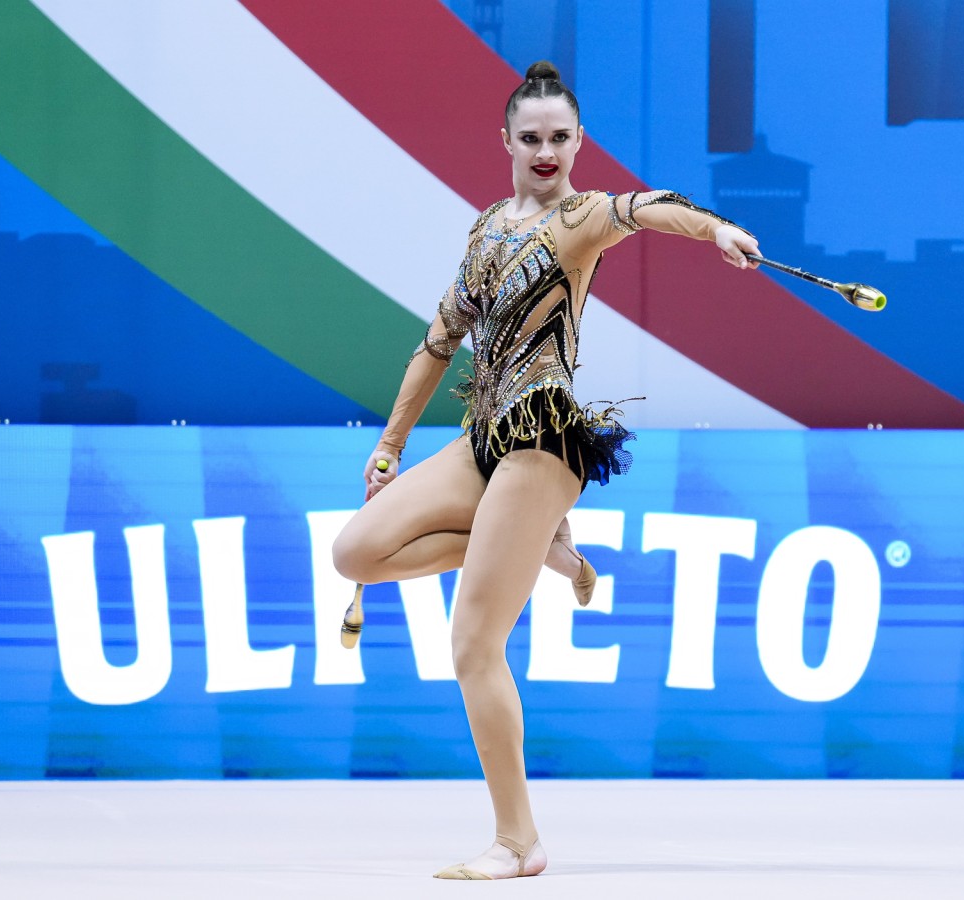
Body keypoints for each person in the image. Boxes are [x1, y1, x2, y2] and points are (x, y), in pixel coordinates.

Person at [330, 59, 760, 880]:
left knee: (472, 644)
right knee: (355, 552)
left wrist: (715, 230)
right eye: (531, 138)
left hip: (541, 440)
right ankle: (541, 549)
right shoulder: (488, 227)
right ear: (506, 141)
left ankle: (518, 842)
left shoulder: (581, 218)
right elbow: (438, 342)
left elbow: (648, 206)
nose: (546, 151)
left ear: (579, 140)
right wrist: (389, 446)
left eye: (560, 137)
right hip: (481, 439)